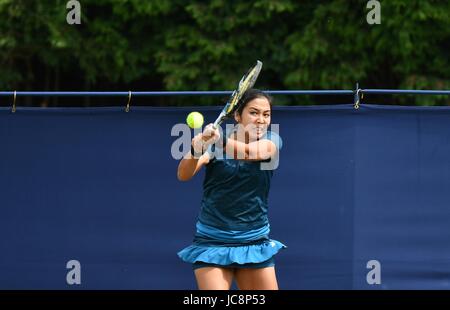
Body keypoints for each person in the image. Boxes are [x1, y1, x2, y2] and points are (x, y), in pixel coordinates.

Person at [177, 89, 285, 290]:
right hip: (212, 239)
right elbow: (184, 174)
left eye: (266, 114)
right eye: (254, 112)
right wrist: (195, 149)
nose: (261, 119)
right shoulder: (217, 143)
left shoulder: (272, 142)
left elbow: (248, 153)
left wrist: (218, 141)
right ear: (237, 115)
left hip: (254, 238)